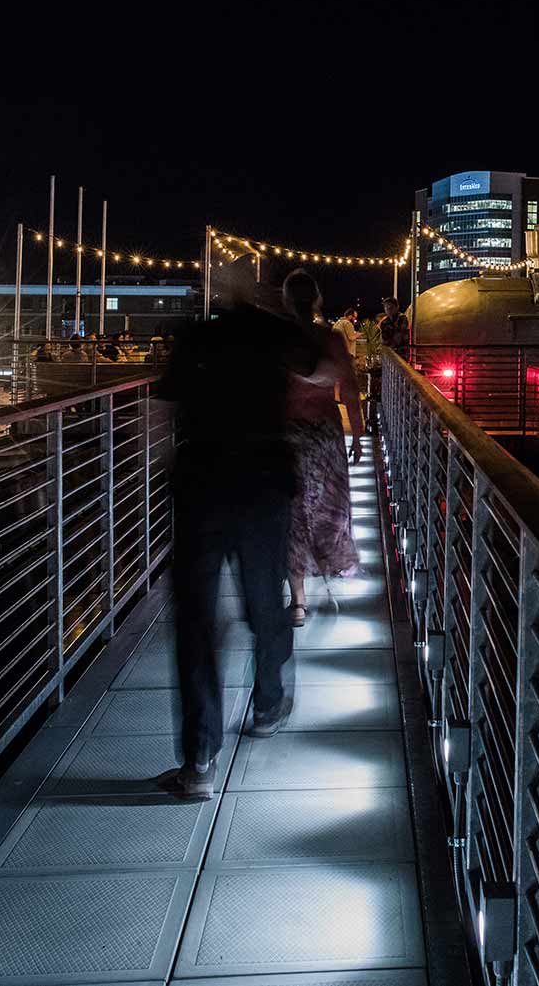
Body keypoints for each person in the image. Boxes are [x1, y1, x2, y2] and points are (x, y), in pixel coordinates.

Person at [155, 284, 314, 798]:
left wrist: (161, 468)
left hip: (202, 480)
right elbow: (320, 368)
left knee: (197, 618)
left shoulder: (196, 335)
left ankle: (199, 759)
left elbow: (160, 411)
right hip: (264, 480)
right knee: (265, 597)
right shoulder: (273, 333)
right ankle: (267, 703)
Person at [281, 271, 364, 628]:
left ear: (285, 300)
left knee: (294, 513)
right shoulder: (330, 339)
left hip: (288, 436)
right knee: (329, 508)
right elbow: (349, 389)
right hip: (326, 436)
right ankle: (330, 571)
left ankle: (297, 601)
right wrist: (358, 434)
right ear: (317, 299)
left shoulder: (279, 339)